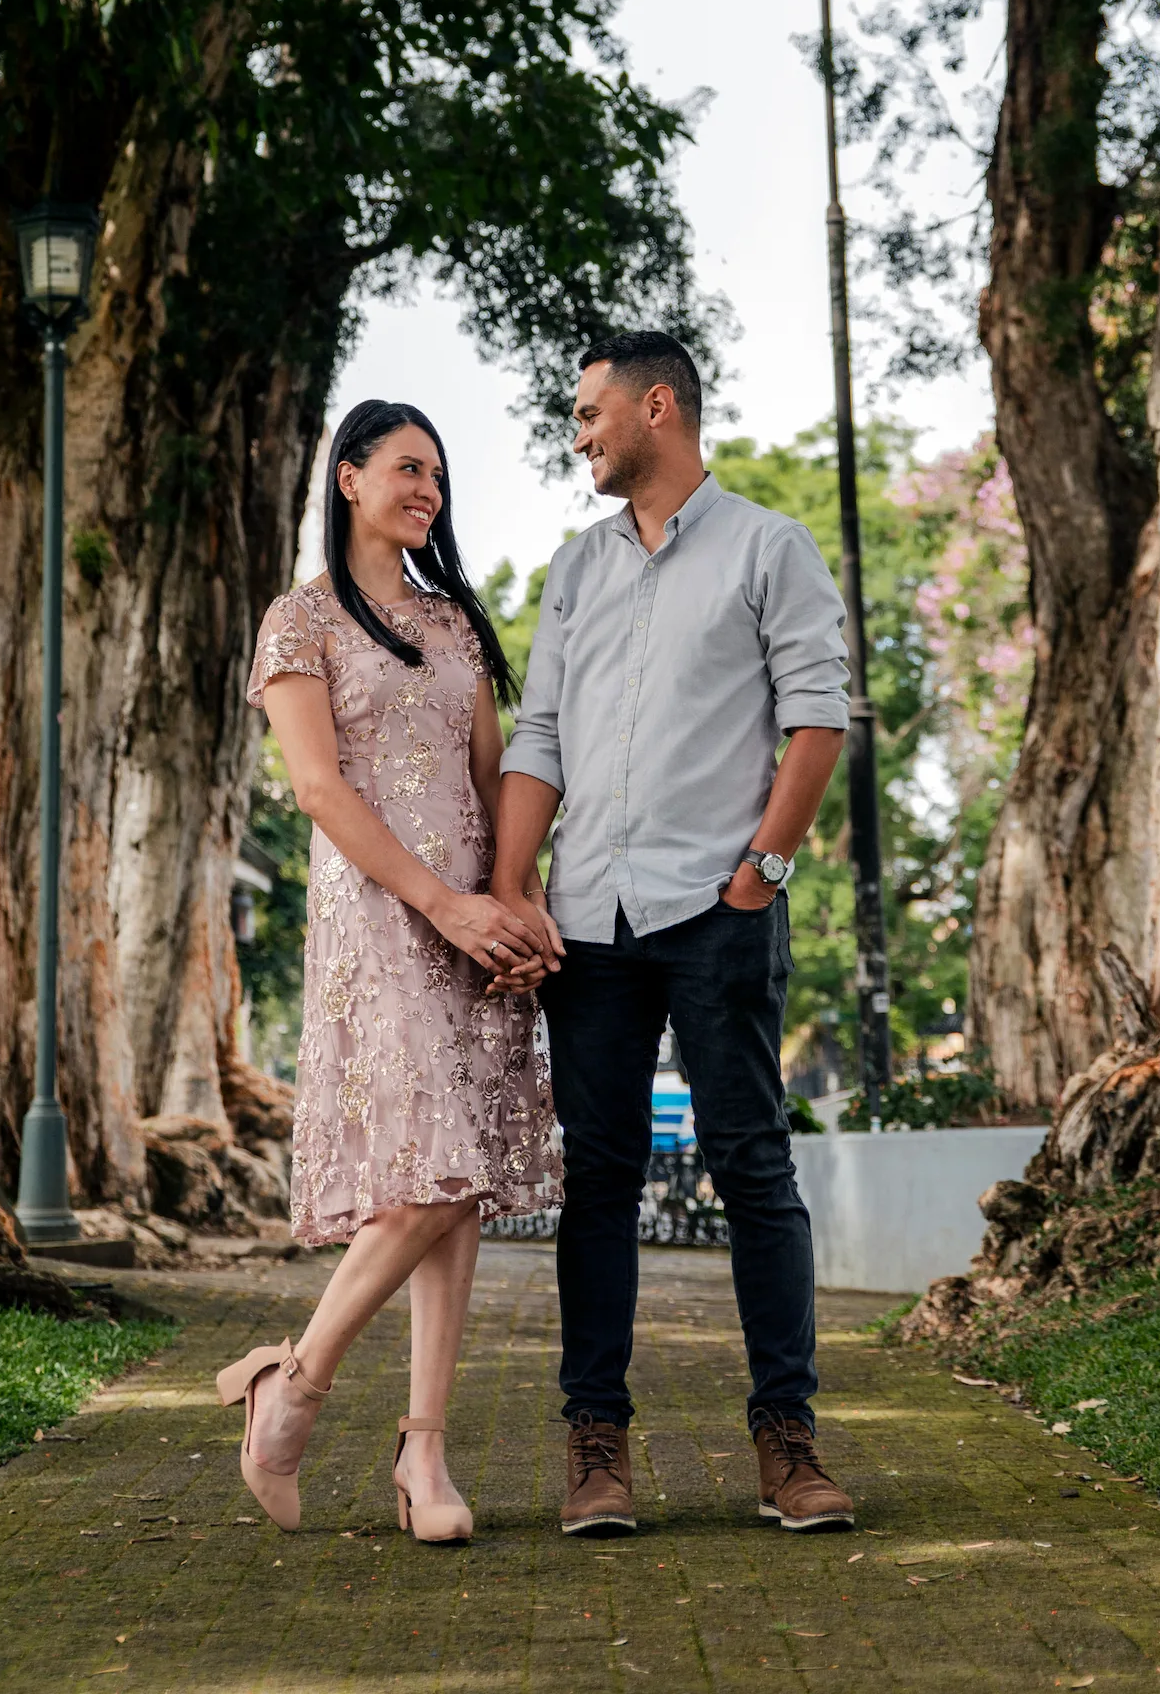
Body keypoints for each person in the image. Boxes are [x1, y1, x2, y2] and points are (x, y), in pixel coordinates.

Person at [487, 331, 859, 1537]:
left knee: (753, 1168)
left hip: (716, 909)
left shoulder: (767, 547)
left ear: (658, 408)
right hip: (586, 918)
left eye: (590, 412)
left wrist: (761, 873)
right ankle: (595, 1447)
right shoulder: (575, 571)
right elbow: (537, 736)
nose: (579, 434)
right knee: (595, 1182)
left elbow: (815, 719)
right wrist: (511, 887)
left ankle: (785, 1442)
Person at [216, 399, 560, 1545]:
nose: (428, 488)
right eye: (407, 467)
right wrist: (444, 905)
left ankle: (423, 1450)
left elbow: (489, 777)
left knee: (455, 1184)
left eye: (439, 474)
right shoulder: (299, 620)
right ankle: (296, 1383)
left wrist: (517, 905)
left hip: (474, 915)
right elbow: (317, 790)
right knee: (424, 1174)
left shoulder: (456, 624)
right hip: (382, 914)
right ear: (348, 477)